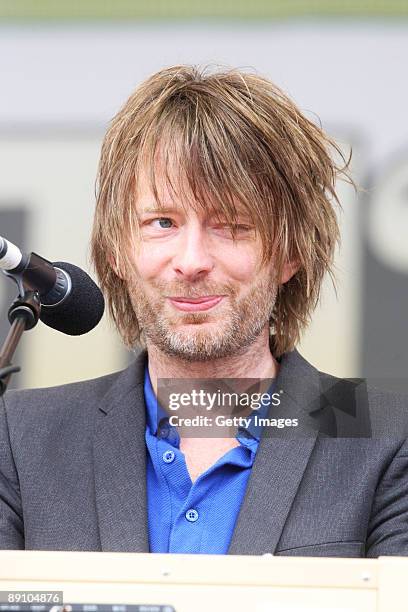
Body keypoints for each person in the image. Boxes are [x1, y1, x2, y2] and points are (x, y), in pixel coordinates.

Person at [1, 65, 408, 556]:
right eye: (162, 222)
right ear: (116, 250)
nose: (191, 261)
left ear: (290, 253)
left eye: (232, 225)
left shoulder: (389, 436)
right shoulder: (21, 437)